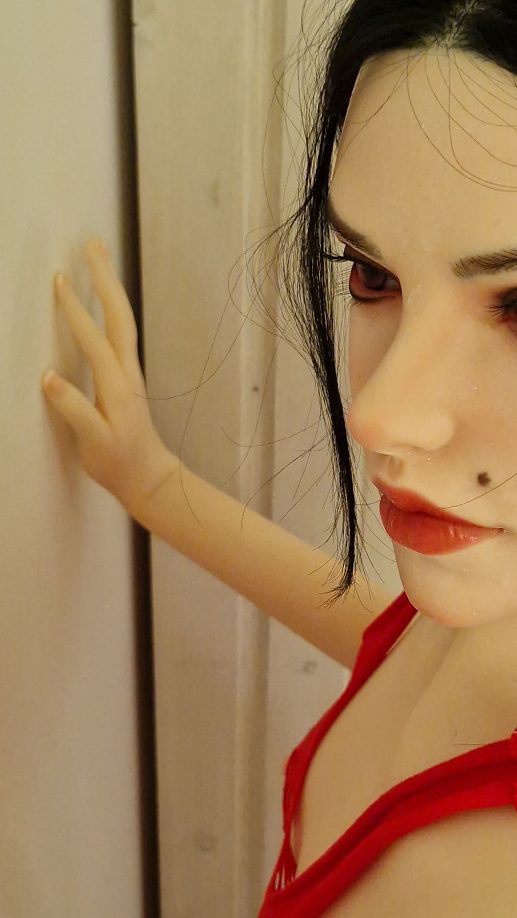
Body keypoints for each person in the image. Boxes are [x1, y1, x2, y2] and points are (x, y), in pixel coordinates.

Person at [41, 1, 517, 914]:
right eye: (371, 275)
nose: (376, 415)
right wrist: (152, 483)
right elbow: (384, 643)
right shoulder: (475, 619)